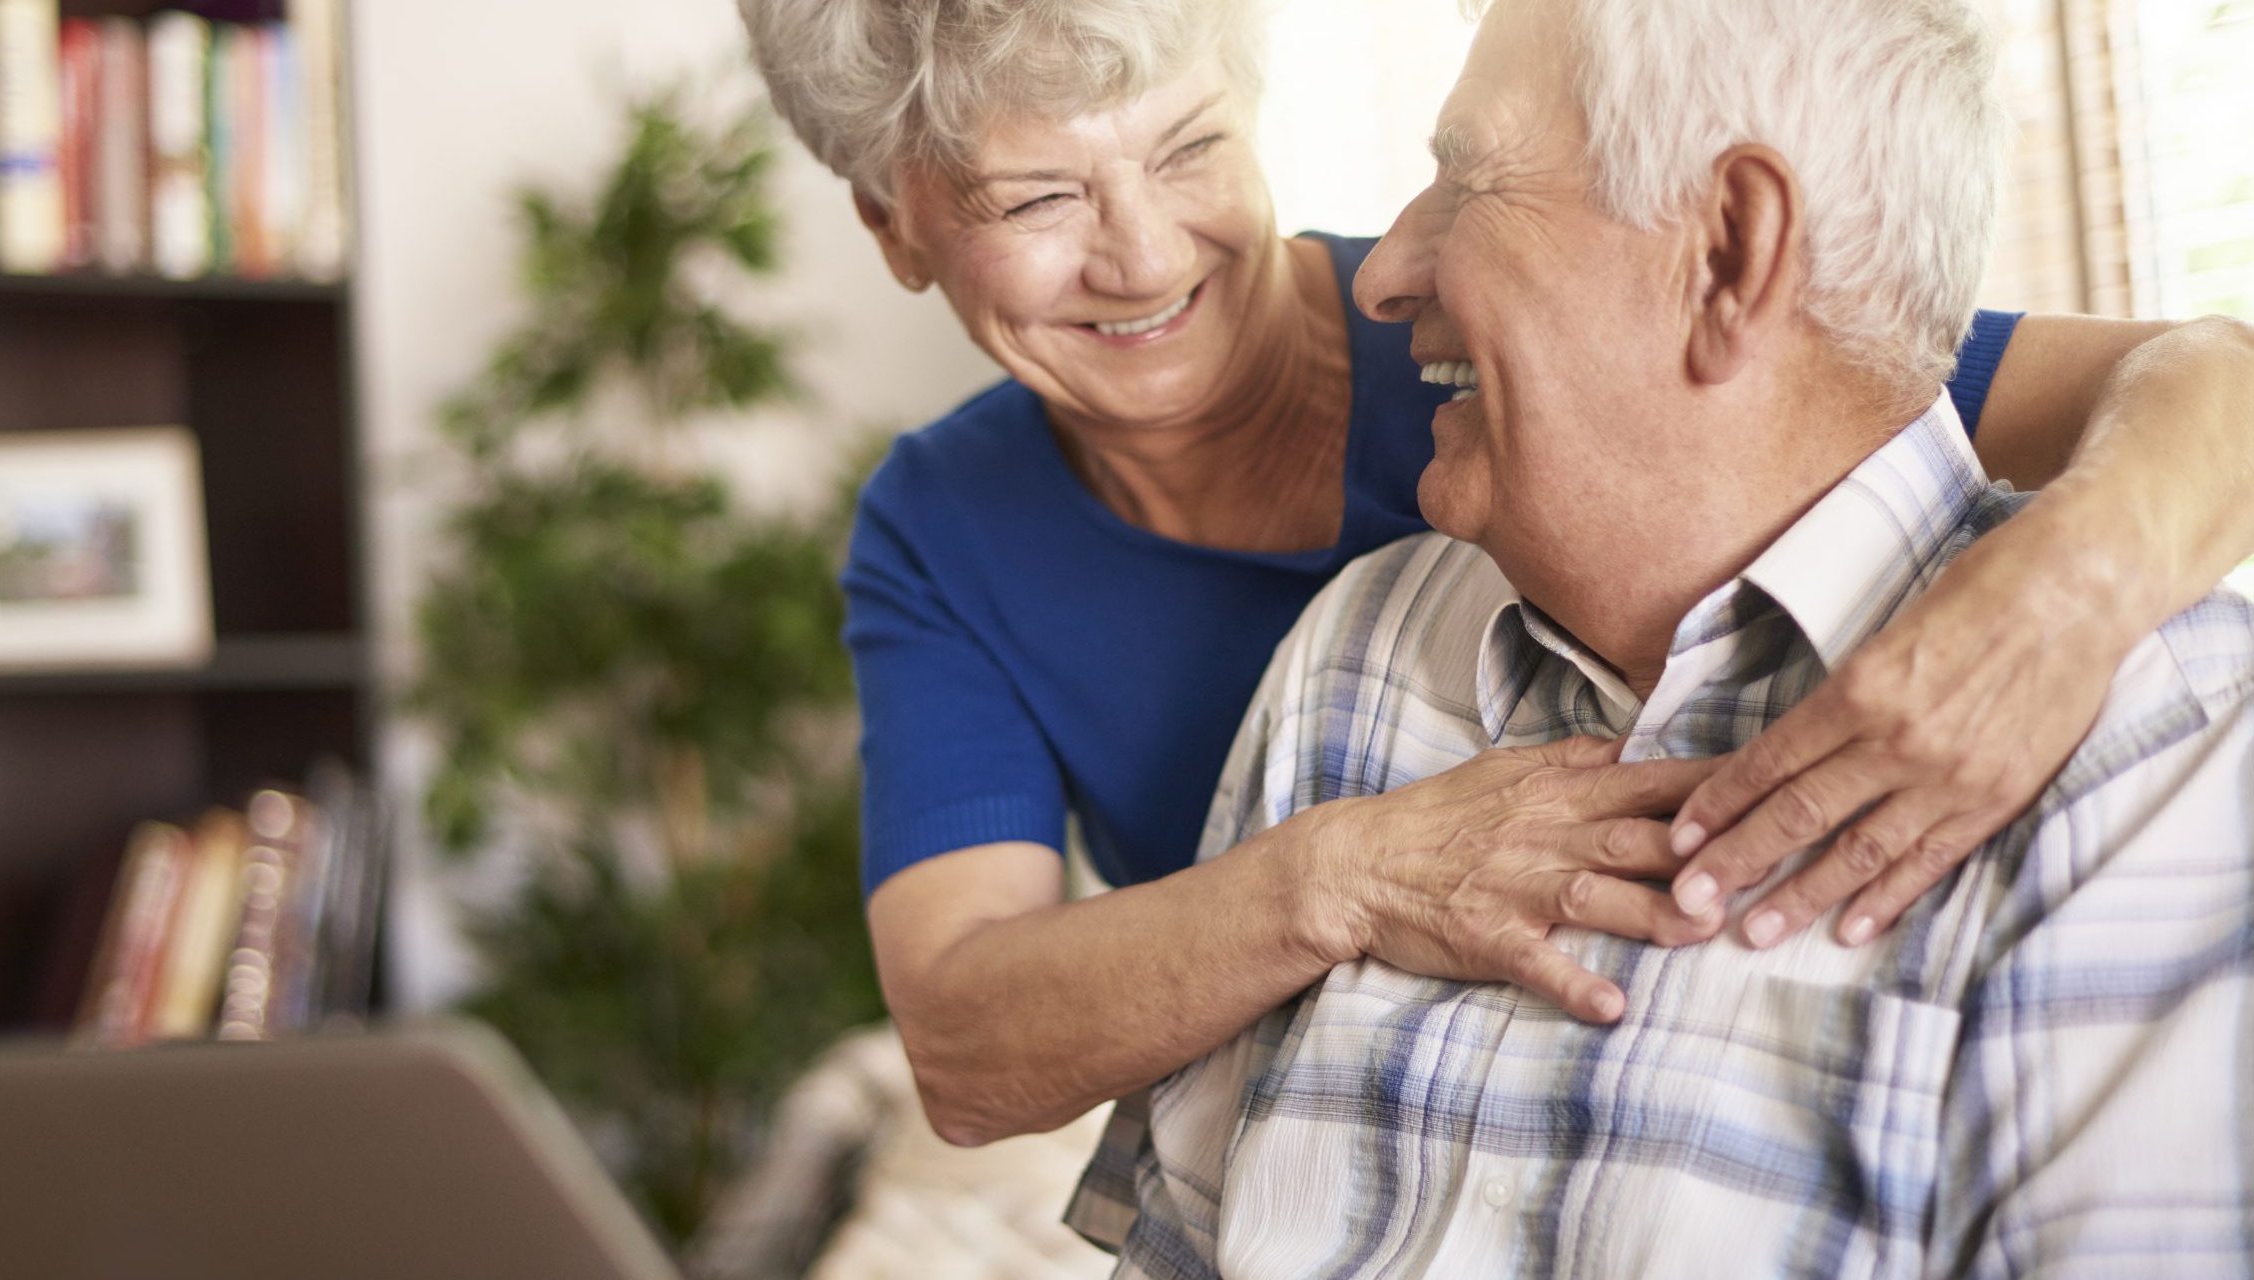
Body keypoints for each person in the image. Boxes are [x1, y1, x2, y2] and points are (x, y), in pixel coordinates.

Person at [733, 0, 2254, 1149]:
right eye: (1035, 200)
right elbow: (967, 1044)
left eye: (1190, 148)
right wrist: (1342, 876)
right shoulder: (945, 526)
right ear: (894, 224)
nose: (1142, 256)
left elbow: (2209, 379)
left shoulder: (1520, 335)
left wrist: (2068, 586)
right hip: (1323, 1130)